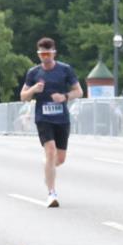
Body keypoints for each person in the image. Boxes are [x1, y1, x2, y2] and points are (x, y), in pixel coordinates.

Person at [19, 37, 83, 207]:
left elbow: (79, 91)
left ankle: (48, 170)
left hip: (61, 118)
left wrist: (65, 97)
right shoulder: (34, 73)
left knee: (59, 159)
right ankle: (52, 194)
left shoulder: (65, 70)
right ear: (38, 54)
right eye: (42, 54)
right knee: (50, 151)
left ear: (54, 53)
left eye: (48, 53)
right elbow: (23, 97)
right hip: (43, 118)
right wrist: (33, 89)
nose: (45, 57)